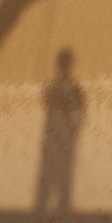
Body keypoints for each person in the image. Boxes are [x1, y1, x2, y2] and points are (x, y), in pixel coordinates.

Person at [35, 48, 86, 213]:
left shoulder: (59, 87)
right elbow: (80, 113)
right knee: (61, 176)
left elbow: (77, 112)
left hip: (56, 137)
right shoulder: (72, 88)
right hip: (60, 138)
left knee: (52, 177)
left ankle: (47, 211)